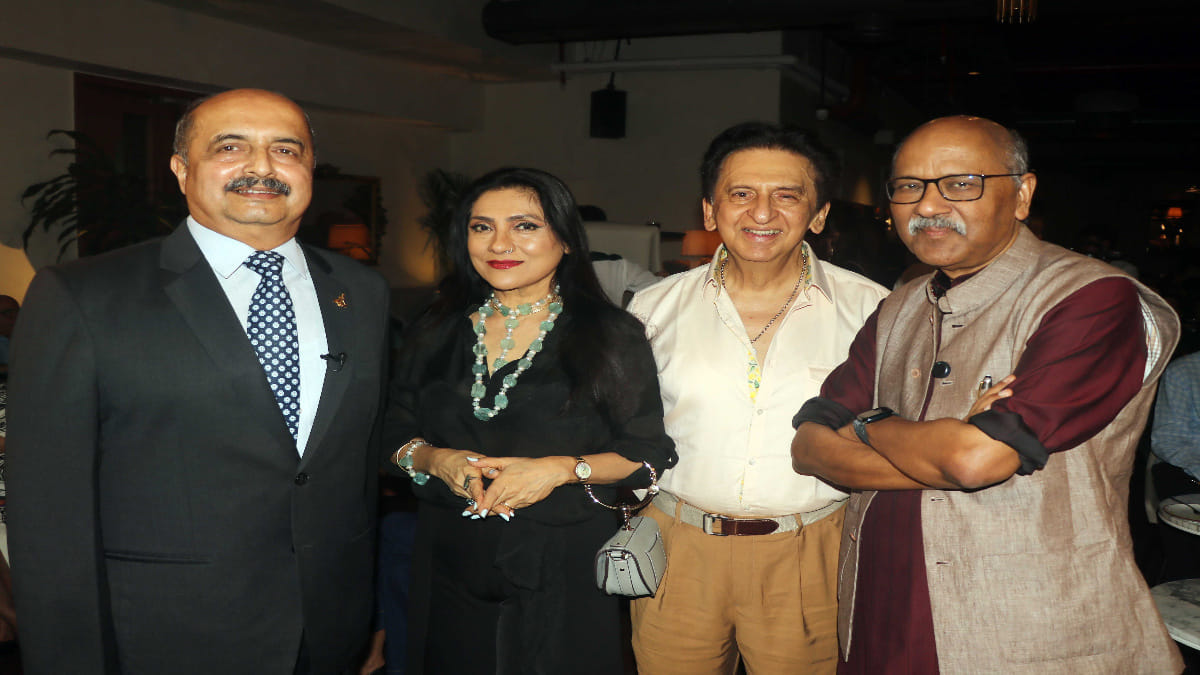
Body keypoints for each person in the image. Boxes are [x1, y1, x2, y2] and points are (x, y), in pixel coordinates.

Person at [7, 89, 391, 674]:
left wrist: (358, 624)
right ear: (181, 170)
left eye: (286, 149)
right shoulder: (83, 296)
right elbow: (49, 514)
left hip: (327, 632)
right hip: (164, 637)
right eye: (231, 147)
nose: (262, 167)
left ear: (310, 169)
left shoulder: (362, 293)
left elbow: (351, 468)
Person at [791, 115, 1183, 672]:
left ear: (1022, 194)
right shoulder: (899, 306)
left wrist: (869, 423)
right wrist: (938, 452)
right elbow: (807, 447)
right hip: (879, 605)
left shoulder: (1091, 299)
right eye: (908, 187)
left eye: (960, 183)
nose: (927, 206)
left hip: (1022, 620)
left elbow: (977, 460)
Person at [383, 167, 676, 674]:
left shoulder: (610, 335)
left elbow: (646, 454)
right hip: (449, 556)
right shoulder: (434, 329)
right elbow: (390, 431)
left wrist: (562, 469)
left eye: (524, 226)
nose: (501, 243)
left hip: (563, 563)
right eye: (481, 227)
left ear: (564, 239)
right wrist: (434, 458)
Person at [626, 122, 888, 674]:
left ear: (817, 215)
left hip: (811, 550)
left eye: (786, 196)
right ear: (709, 210)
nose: (762, 213)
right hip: (679, 549)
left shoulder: (873, 312)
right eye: (741, 194)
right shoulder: (651, 309)